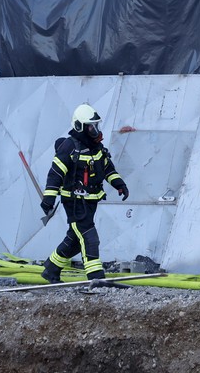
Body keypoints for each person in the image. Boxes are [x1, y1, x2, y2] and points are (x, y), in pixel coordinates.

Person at [40, 104, 129, 283]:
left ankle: (51, 268)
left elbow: (107, 168)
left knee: (74, 240)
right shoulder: (68, 147)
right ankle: (95, 277)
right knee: (89, 237)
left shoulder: (96, 148)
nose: (95, 130)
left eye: (96, 126)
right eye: (90, 126)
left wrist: (119, 184)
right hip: (74, 202)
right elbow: (55, 173)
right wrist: (49, 198)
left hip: (90, 201)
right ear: (79, 126)